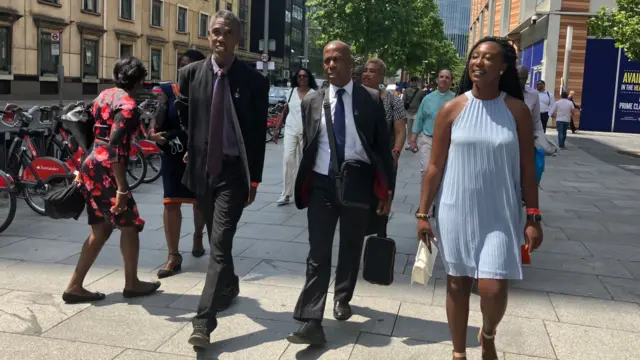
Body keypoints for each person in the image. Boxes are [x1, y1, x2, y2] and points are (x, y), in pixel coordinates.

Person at [416, 37, 543, 360]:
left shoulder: (517, 111)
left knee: (494, 287)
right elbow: (434, 167)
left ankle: (487, 334)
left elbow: (528, 169)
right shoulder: (451, 109)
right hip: (455, 209)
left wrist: (533, 216)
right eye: (475, 56)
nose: (479, 62)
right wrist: (422, 214)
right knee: (457, 283)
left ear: (503, 67)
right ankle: (459, 352)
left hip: (500, 211)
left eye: (488, 58)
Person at [286, 40, 394, 345]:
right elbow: (310, 144)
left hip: (358, 182)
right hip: (321, 182)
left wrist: (387, 191)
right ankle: (310, 320)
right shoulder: (313, 101)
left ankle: (343, 296)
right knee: (318, 252)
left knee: (350, 244)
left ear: (351, 64)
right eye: (327, 60)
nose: (330, 65)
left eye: (337, 60)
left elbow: (383, 150)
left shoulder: (371, 99)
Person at [175, 10, 269, 348]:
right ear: (208, 35)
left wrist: (254, 179)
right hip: (202, 170)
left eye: (227, 32)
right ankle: (228, 284)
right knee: (218, 241)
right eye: (215, 31)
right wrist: (191, 145)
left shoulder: (254, 81)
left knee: (220, 242)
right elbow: (184, 114)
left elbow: (257, 134)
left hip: (233, 172)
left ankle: (203, 321)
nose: (220, 37)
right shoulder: (189, 74)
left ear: (237, 39)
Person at [62, 56, 161, 304]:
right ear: (139, 80)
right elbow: (115, 147)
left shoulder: (104, 96)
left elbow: (84, 127)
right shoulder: (128, 106)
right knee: (129, 225)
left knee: (102, 228)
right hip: (107, 170)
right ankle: (132, 283)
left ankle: (75, 286)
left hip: (92, 165)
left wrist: (84, 164)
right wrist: (122, 189)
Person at [151, 51, 208, 279]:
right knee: (171, 202)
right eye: (183, 65)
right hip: (173, 154)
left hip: (200, 153)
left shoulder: (209, 91)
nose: (187, 70)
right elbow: (155, 121)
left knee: (199, 202)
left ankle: (197, 236)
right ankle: (173, 255)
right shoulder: (168, 91)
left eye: (192, 66)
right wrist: (153, 133)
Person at [361, 58, 406, 237]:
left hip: (383, 159)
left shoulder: (392, 101)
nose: (367, 74)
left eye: (372, 71)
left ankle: (379, 241)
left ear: (381, 76)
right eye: (365, 70)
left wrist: (395, 152)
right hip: (360, 159)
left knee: (383, 199)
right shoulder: (355, 97)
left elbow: (400, 130)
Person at [274, 68, 318, 206]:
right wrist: (277, 128)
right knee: (288, 160)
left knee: (303, 164)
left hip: (306, 133)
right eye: (299, 76)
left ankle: (304, 191)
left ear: (309, 78)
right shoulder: (291, 92)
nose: (302, 78)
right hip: (290, 130)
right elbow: (285, 111)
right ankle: (286, 194)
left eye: (305, 76)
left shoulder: (314, 94)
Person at [409, 69, 455, 178]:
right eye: (441, 77)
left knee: (444, 174)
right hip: (428, 140)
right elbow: (419, 119)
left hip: (448, 142)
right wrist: (413, 140)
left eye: (447, 77)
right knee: (426, 171)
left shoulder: (456, 99)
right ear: (437, 80)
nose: (444, 79)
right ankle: (425, 194)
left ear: (451, 81)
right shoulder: (427, 99)